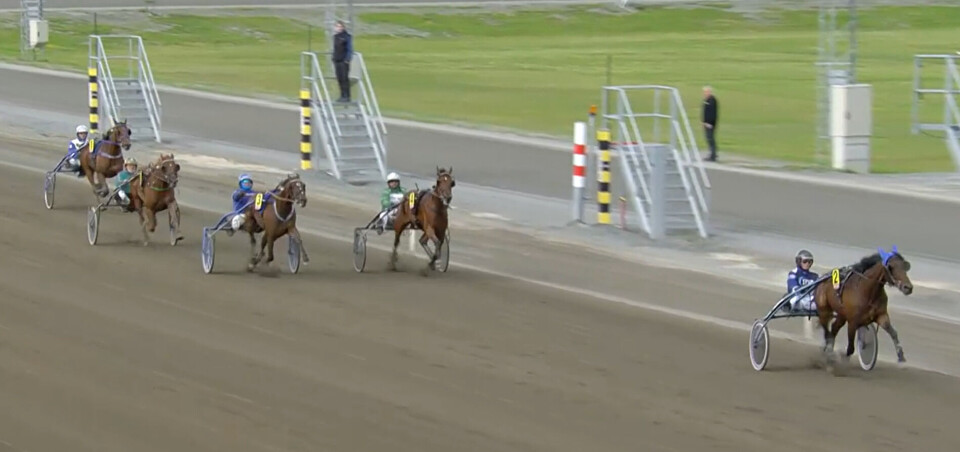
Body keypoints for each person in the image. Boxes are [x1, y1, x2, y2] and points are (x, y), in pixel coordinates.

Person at [331, 20, 353, 103]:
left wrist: (347, 59)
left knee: (344, 78)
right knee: (339, 78)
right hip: (337, 60)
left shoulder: (346, 36)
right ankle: (341, 95)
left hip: (344, 61)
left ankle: (347, 96)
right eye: (337, 26)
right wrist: (333, 58)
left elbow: (349, 49)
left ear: (343, 28)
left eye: (340, 27)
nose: (339, 28)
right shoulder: (335, 37)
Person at [701, 86, 718, 162]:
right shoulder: (707, 100)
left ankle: (713, 155)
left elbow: (712, 113)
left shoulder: (712, 100)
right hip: (706, 123)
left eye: (706, 92)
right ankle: (712, 153)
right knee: (709, 138)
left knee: (711, 139)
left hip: (710, 123)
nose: (704, 93)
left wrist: (709, 123)